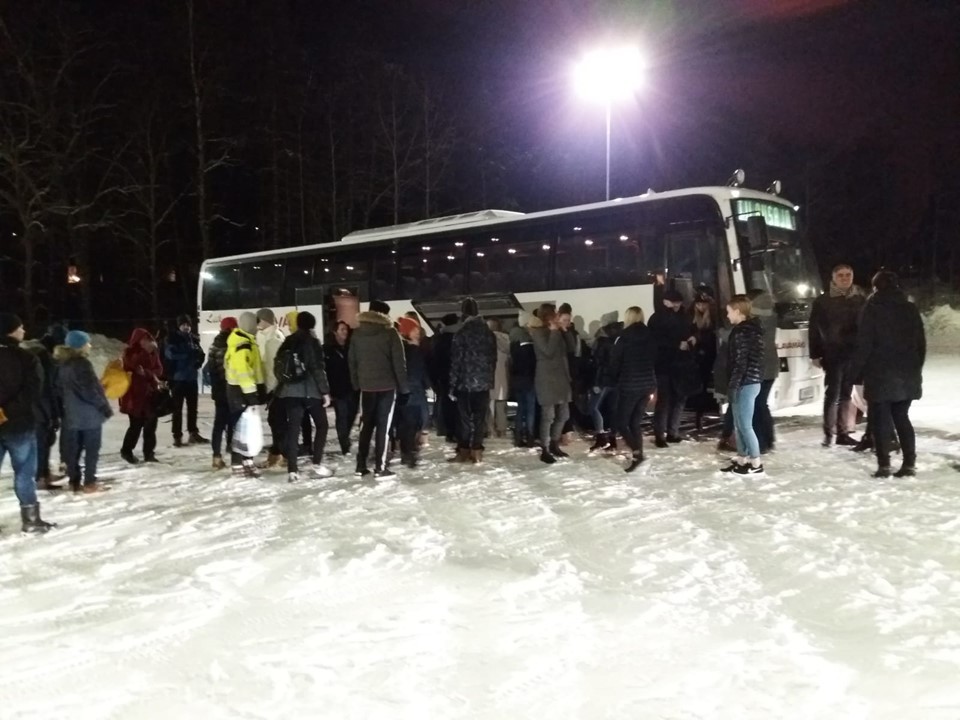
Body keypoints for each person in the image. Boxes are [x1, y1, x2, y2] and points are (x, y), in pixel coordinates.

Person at [849, 270, 925, 478]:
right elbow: (920, 343)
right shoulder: (910, 308)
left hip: (879, 373)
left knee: (880, 420)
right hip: (907, 373)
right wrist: (915, 368)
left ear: (875, 287)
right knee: (902, 417)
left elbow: (864, 345)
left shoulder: (871, 309)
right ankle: (909, 463)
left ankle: (884, 465)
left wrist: (854, 373)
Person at [0, 313, 56, 532]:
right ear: (12, 330)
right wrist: (6, 412)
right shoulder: (27, 358)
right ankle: (31, 520)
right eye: (20, 327)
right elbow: (32, 393)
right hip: (19, 425)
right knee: (24, 472)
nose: (23, 331)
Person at [348, 300, 408, 478]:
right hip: (387, 387)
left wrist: (357, 384)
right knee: (383, 426)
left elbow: (352, 362)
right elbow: (399, 363)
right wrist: (404, 388)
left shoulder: (357, 334)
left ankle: (360, 465)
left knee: (366, 426)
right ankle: (380, 467)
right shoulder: (390, 332)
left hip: (366, 387)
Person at [809, 264, 866, 446]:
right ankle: (828, 434)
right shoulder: (823, 301)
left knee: (846, 394)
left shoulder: (860, 299)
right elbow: (814, 329)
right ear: (833, 278)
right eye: (840, 275)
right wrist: (815, 354)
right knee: (832, 394)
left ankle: (843, 433)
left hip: (853, 353)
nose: (845, 278)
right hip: (832, 353)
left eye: (848, 275)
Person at [275, 311, 332, 482]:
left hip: (290, 391)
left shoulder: (288, 340)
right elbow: (317, 368)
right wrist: (325, 392)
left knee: (294, 429)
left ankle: (292, 470)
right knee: (322, 425)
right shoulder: (313, 342)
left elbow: (278, 365)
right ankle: (317, 463)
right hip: (310, 391)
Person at [55, 330, 112, 493]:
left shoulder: (62, 364)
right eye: (87, 343)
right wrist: (103, 406)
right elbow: (88, 390)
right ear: (80, 346)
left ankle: (74, 481)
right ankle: (89, 482)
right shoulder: (82, 364)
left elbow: (59, 389)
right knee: (92, 449)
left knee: (74, 450)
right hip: (88, 415)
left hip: (71, 414)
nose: (90, 345)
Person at [447, 297, 497, 464]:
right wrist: (489, 379)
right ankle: (477, 452)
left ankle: (463, 451)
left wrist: (452, 385)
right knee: (479, 419)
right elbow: (493, 359)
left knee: (464, 420)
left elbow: (456, 362)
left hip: (465, 383)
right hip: (483, 384)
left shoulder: (461, 333)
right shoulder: (488, 333)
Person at [648, 289, 698, 447]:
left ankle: (671, 432)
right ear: (665, 302)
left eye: (678, 302)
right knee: (665, 400)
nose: (677, 305)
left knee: (678, 398)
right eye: (674, 302)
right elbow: (655, 341)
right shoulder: (658, 318)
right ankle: (661, 434)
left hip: (680, 363)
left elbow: (693, 329)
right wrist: (677, 344)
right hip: (665, 364)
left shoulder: (684, 316)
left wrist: (694, 337)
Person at [722, 295, 765, 475]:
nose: (727, 315)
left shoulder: (742, 332)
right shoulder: (752, 330)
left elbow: (741, 362)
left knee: (745, 425)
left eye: (729, 311)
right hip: (750, 381)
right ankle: (742, 459)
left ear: (738, 311)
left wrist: (733, 385)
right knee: (739, 424)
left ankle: (756, 463)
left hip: (745, 383)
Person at [609, 307, 657, 472]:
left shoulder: (623, 337)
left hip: (630, 385)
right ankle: (639, 454)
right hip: (648, 384)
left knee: (622, 423)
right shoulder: (650, 336)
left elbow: (615, 362)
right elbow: (655, 358)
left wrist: (613, 378)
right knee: (635, 422)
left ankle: (637, 452)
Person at [528, 303, 572, 464]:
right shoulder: (538, 332)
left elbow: (572, 348)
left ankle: (554, 443)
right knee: (548, 416)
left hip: (561, 377)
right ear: (547, 316)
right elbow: (548, 351)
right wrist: (554, 331)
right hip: (547, 378)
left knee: (564, 415)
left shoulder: (558, 331)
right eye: (554, 313)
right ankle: (545, 448)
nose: (557, 315)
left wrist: (565, 330)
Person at [21, 326, 64, 489]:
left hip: (30, 407)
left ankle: (42, 473)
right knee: (42, 442)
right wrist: (55, 414)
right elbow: (49, 389)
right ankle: (40, 476)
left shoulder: (33, 354)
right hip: (41, 408)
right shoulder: (45, 360)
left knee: (41, 442)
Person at [225, 312, 266, 477]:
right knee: (241, 429)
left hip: (241, 390)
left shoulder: (246, 340)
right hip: (240, 392)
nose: (257, 327)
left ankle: (247, 461)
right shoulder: (243, 344)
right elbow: (244, 372)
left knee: (247, 429)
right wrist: (251, 394)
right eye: (255, 324)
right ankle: (237, 464)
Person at [119, 328, 164, 464]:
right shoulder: (130, 353)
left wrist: (147, 373)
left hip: (150, 394)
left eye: (147, 339)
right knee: (136, 425)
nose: (146, 341)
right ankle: (126, 451)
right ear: (137, 341)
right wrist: (145, 353)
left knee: (151, 425)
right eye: (143, 339)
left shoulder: (153, 352)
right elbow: (133, 366)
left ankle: (149, 453)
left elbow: (159, 370)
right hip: (134, 396)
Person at [164, 314, 207, 447]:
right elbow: (170, 354)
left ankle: (193, 432)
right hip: (178, 379)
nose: (186, 327)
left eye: (188, 324)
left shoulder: (193, 339)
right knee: (177, 409)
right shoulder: (173, 339)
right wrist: (187, 356)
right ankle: (177, 436)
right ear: (179, 326)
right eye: (183, 324)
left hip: (191, 378)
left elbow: (200, 353)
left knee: (193, 408)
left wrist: (199, 361)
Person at [397, 316, 430, 468]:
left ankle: (408, 452)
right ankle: (408, 453)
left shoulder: (408, 350)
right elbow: (417, 372)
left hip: (410, 391)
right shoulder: (412, 351)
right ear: (408, 332)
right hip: (413, 391)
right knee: (412, 422)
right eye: (414, 329)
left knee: (410, 423)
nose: (418, 331)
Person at [749, 289, 780, 453]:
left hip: (759, 368)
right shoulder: (771, 317)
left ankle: (761, 443)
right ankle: (769, 439)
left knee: (756, 405)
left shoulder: (754, 322)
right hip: (771, 367)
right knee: (762, 403)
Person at [204, 317, 237, 470]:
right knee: (233, 421)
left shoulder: (213, 345)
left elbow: (211, 369)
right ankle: (232, 448)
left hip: (218, 390)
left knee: (219, 423)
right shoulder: (232, 344)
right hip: (231, 388)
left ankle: (216, 456)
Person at [255, 308, 286, 467]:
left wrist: (272, 388)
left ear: (264, 320)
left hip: (276, 387)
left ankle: (282, 455)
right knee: (275, 420)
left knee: (278, 421)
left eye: (258, 319)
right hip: (271, 386)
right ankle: (278, 453)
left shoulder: (274, 338)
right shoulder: (264, 335)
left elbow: (274, 367)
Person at [587, 312, 621, 452]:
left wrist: (595, 382)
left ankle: (601, 437)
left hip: (602, 380)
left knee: (593, 407)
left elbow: (598, 364)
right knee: (612, 410)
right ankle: (613, 440)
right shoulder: (620, 337)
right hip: (616, 380)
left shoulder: (602, 340)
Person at [324, 320, 359, 456]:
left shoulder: (351, 347)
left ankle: (345, 437)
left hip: (352, 387)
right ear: (335, 332)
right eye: (342, 329)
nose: (345, 332)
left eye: (346, 329)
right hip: (337, 389)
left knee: (352, 414)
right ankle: (345, 445)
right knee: (342, 416)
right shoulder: (328, 349)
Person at [688, 289, 719, 432]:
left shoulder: (713, 316)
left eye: (703, 304)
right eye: (698, 304)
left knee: (704, 384)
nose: (700, 307)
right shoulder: (690, 315)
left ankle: (700, 414)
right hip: (695, 355)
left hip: (708, 354)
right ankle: (698, 414)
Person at [509, 311, 537, 448]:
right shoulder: (530, 346)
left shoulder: (513, 345)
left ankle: (518, 437)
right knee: (530, 409)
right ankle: (530, 436)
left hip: (517, 379)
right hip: (529, 380)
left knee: (520, 409)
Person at [430, 313, 459, 442]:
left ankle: (448, 431)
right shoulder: (459, 337)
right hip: (458, 376)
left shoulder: (439, 339)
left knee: (446, 404)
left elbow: (434, 360)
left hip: (443, 376)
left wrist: (434, 379)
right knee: (458, 405)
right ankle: (458, 431)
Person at [487, 317, 511, 440]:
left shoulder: (485, 339)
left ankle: (491, 430)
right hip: (503, 377)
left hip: (488, 377)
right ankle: (502, 429)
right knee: (501, 406)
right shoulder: (506, 339)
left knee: (489, 405)